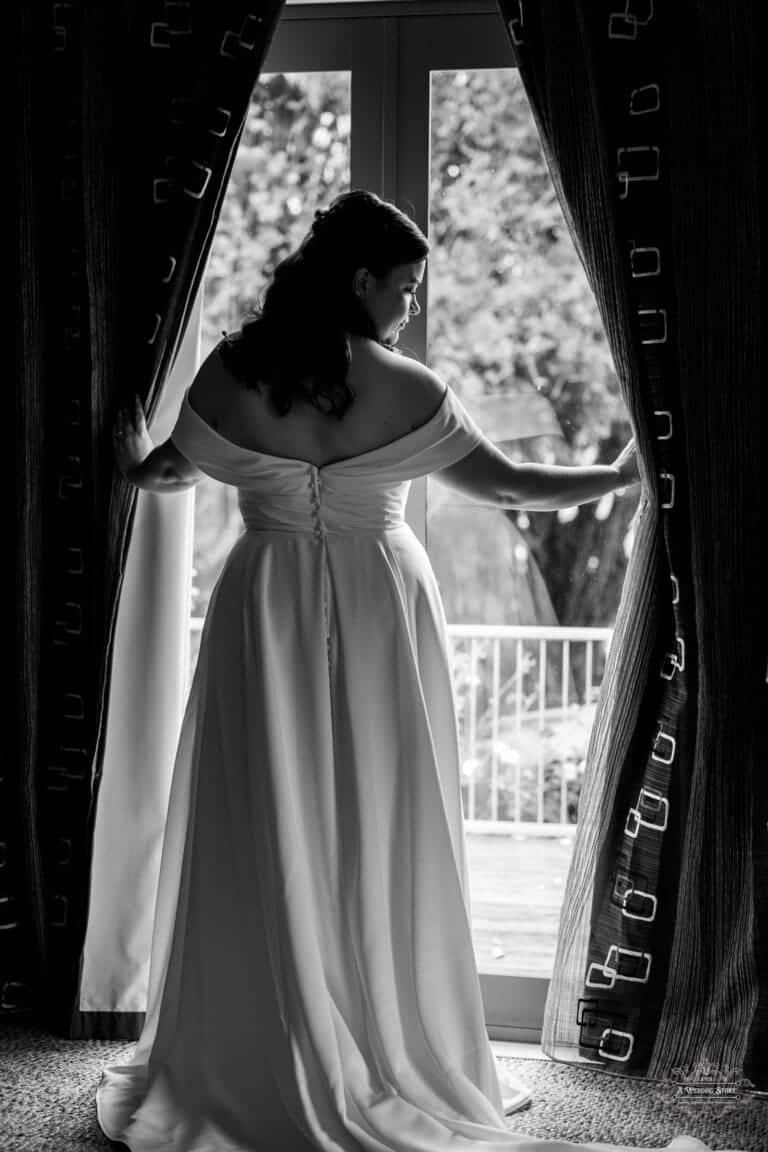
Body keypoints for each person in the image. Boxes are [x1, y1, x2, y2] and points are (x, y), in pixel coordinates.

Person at [97, 191, 721, 1152]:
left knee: (264, 807)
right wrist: (621, 474)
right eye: (405, 286)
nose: (411, 306)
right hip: (379, 604)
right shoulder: (411, 389)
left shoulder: (230, 371)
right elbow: (515, 485)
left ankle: (262, 1030)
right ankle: (387, 1028)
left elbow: (171, 469)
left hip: (261, 606)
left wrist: (119, 456)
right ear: (360, 281)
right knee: (381, 812)